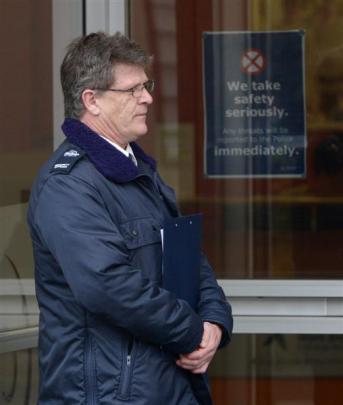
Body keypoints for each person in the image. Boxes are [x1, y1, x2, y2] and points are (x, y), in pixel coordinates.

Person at [27, 31, 233, 405]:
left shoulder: (139, 172)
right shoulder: (68, 185)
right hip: (107, 394)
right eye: (133, 89)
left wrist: (215, 321)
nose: (148, 98)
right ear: (92, 100)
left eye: (147, 85)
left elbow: (188, 259)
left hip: (165, 384)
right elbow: (108, 285)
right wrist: (192, 331)